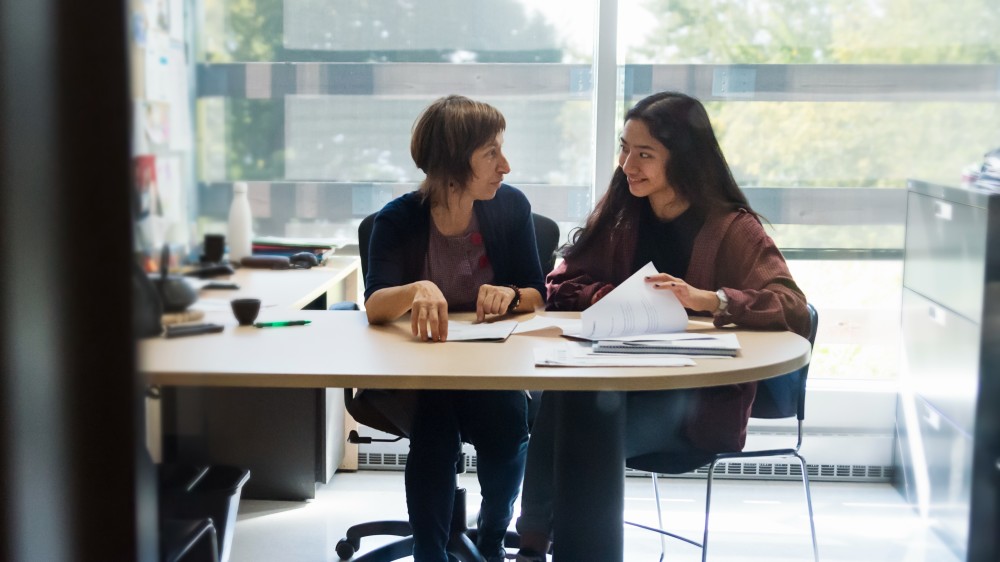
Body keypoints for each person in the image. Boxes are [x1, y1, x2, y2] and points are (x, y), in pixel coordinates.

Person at [513, 91, 810, 561]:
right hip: (613, 381)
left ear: (684, 159)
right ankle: (535, 547)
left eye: (644, 154)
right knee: (569, 401)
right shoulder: (623, 211)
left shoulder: (732, 227)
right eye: (624, 148)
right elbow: (561, 283)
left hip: (690, 401)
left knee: (580, 426)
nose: (628, 164)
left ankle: (538, 544)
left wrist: (710, 299)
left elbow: (793, 306)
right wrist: (601, 295)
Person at [363, 94, 546, 562]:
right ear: (452, 160)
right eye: (491, 153)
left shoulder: (510, 208)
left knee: (508, 427)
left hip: (490, 366)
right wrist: (415, 289)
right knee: (434, 431)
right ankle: (430, 554)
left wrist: (510, 294)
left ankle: (490, 538)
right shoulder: (398, 219)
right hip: (421, 369)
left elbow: (538, 294)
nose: (505, 165)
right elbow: (375, 306)